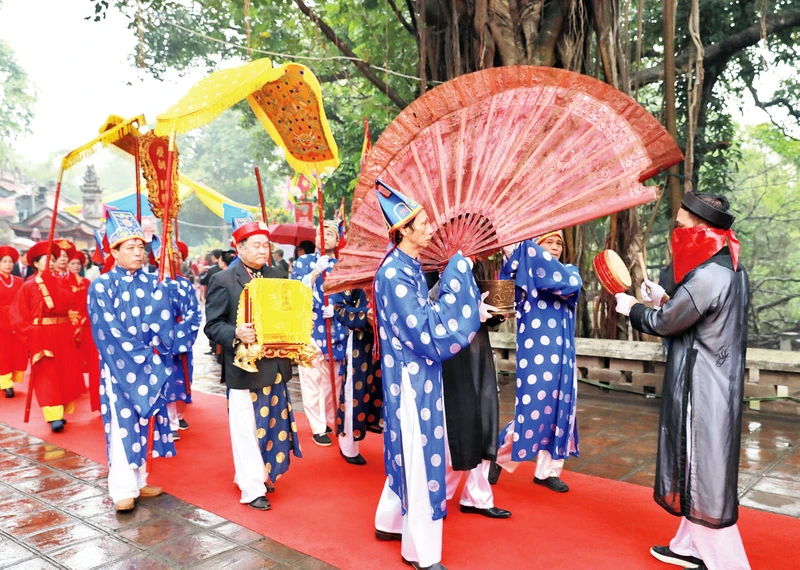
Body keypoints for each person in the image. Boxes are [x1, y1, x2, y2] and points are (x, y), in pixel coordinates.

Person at [614, 192, 750, 570]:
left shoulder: (707, 275)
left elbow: (667, 323)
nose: (676, 232)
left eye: (681, 225)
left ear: (701, 228)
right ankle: (689, 545)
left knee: (702, 465)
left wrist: (635, 309)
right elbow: (690, 315)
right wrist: (664, 298)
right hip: (718, 380)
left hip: (702, 386)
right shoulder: (731, 268)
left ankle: (727, 561)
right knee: (696, 462)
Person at [372, 180, 488, 570]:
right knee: (421, 460)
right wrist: (458, 270)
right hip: (411, 379)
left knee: (405, 452)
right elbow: (426, 334)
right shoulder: (395, 274)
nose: (429, 228)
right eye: (422, 222)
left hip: (412, 374)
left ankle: (388, 521)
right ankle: (422, 553)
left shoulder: (406, 267)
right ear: (403, 230)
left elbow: (422, 316)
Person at [87, 211, 188, 512]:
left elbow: (165, 322)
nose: (138, 252)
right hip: (120, 368)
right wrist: (145, 358)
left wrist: (162, 346)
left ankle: (141, 479)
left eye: (141, 247)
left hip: (150, 367)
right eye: (129, 247)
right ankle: (122, 488)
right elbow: (107, 332)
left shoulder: (153, 283)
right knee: (121, 424)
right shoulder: (102, 286)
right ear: (113, 252)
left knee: (148, 420)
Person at [204, 219, 302, 511]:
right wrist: (235, 332)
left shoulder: (277, 275)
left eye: (266, 245)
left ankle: (263, 472)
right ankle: (251, 487)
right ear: (239, 247)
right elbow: (212, 325)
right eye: (256, 245)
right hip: (243, 368)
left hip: (275, 364)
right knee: (246, 427)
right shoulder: (223, 280)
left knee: (272, 423)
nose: (263, 251)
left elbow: (288, 315)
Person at [489, 230, 583, 493]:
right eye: (547, 243)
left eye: (558, 243)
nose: (554, 248)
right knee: (535, 406)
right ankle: (500, 455)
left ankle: (548, 471)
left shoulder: (568, 269)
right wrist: (522, 251)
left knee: (562, 408)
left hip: (564, 352)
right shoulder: (526, 271)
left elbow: (571, 284)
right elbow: (505, 283)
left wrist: (529, 253)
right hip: (536, 352)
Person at [430, 264, 511, 520]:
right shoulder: (429, 271)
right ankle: (436, 497)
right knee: (459, 427)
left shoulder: (472, 269)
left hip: (478, 352)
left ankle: (477, 497)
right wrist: (471, 313)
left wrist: (491, 314)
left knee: (484, 421)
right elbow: (429, 313)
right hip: (452, 357)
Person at [9, 241, 84, 431]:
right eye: (46, 259)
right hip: (41, 335)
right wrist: (30, 333)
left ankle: (59, 408)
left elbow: (66, 303)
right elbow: (17, 315)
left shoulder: (62, 282)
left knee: (63, 372)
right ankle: (53, 414)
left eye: (53, 259)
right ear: (36, 263)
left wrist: (51, 282)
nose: (51, 262)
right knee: (46, 373)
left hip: (63, 334)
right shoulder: (28, 286)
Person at [291, 222, 346, 447]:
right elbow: (296, 292)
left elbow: (350, 294)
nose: (323, 237)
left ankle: (330, 419)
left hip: (336, 329)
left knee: (333, 381)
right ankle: (318, 426)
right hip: (311, 327)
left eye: (330, 233)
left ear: (338, 239)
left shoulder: (344, 264)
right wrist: (315, 272)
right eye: (319, 233)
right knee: (311, 378)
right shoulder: (304, 262)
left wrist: (339, 308)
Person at [149, 238, 202, 440]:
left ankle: (177, 416)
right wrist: (163, 338)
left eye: (176, 257)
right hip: (157, 344)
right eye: (166, 257)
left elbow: (194, 314)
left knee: (182, 379)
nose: (172, 261)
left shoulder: (185, 284)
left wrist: (178, 338)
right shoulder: (150, 282)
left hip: (180, 343)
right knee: (164, 381)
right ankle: (167, 421)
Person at [329, 287, 383, 465]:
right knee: (355, 393)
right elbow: (339, 308)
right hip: (361, 342)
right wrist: (364, 314)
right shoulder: (355, 269)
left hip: (391, 340)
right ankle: (348, 445)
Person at [67, 249, 102, 413]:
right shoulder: (61, 282)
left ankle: (98, 401)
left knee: (94, 362)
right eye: (72, 263)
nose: (75, 266)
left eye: (78, 264)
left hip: (87, 326)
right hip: (67, 327)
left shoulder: (87, 283)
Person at [0, 246, 27, 398]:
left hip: (16, 321)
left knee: (15, 352)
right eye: (4, 261)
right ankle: (6, 383)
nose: (8, 264)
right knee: (3, 353)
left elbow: (23, 301)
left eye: (10, 261)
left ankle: (8, 378)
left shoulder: (18, 281)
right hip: (1, 322)